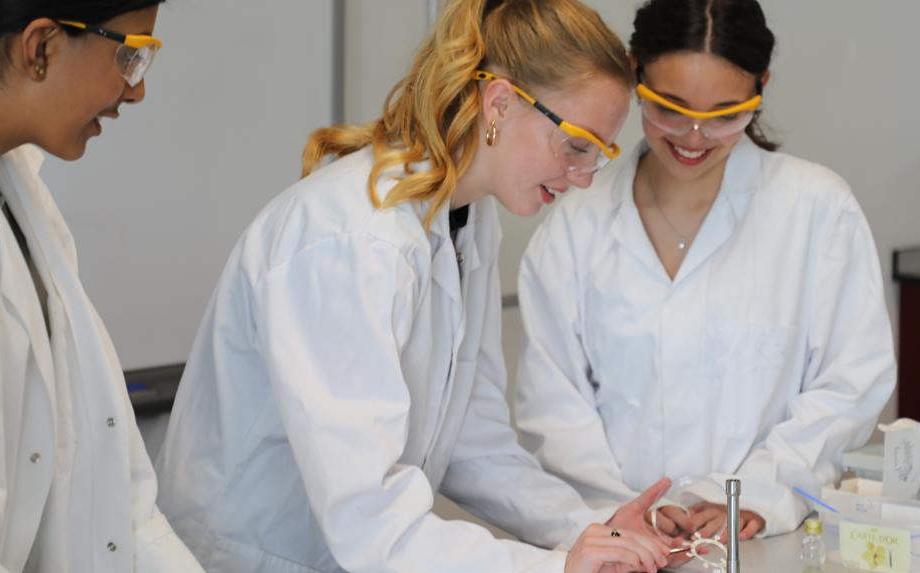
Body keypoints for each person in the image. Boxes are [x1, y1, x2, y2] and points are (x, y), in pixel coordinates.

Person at [155, 0, 677, 571]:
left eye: (598, 155)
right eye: (576, 145)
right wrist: (558, 567)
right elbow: (368, 516)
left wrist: (594, 529)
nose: (583, 178)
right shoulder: (354, 237)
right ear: (500, 103)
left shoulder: (469, 218)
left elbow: (472, 443)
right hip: (250, 559)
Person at [514, 0, 897, 544]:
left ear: (760, 89)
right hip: (618, 541)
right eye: (670, 109)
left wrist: (755, 493)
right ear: (635, 72)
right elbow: (554, 407)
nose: (694, 137)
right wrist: (622, 511)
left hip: (762, 540)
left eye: (725, 115)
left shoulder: (816, 210)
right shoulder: (576, 223)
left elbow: (849, 385)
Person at [0, 0, 201, 571]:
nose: (137, 90)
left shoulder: (12, 183)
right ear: (39, 47)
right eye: (131, 56)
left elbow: (105, 472)